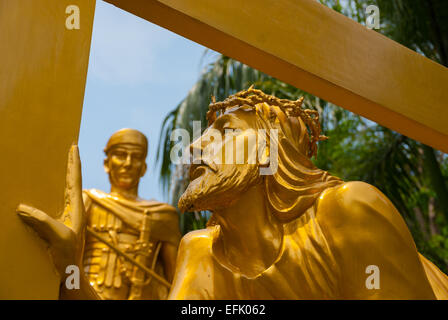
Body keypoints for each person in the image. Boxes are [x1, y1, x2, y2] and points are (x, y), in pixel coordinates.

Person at [169, 88, 448, 299]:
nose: (193, 146)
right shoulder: (201, 252)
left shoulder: (348, 211)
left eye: (225, 132)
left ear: (269, 151)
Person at [17, 129, 180, 300]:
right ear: (107, 163)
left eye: (136, 157)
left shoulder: (162, 216)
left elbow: (176, 283)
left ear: (144, 168)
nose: (128, 163)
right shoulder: (89, 201)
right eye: (121, 155)